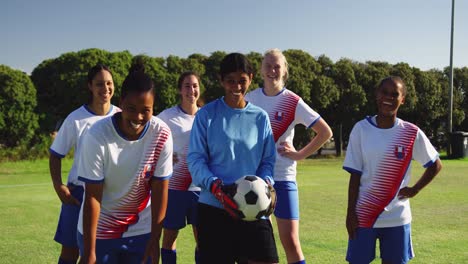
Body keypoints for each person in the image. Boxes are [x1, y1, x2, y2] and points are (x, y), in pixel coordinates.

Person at [187, 53, 279, 264]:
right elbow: (196, 160)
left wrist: (267, 184)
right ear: (221, 80)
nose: (236, 86)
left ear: (251, 78)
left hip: (254, 211)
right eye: (230, 80)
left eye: (242, 80)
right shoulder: (206, 115)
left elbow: (267, 160)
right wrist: (217, 188)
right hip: (214, 210)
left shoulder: (260, 117)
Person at [77, 64, 173, 264]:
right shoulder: (97, 135)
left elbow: (160, 190)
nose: (138, 117)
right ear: (121, 103)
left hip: (142, 231)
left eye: (145, 110)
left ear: (153, 107)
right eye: (131, 109)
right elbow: (93, 196)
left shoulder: (161, 133)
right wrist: (89, 251)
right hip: (100, 231)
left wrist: (155, 240)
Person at [245, 48, 332, 264]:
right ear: (261, 70)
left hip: (284, 179)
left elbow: (325, 132)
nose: (272, 70)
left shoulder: (293, 101)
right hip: (254, 183)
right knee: (258, 247)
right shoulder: (250, 99)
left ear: (284, 71)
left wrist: (299, 154)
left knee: (291, 242)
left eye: (277, 66)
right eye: (268, 66)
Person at [343, 76, 442, 264]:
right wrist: (350, 213)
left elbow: (435, 165)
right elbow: (355, 175)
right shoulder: (361, 129)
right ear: (377, 95)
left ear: (402, 99)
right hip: (364, 216)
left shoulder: (411, 132)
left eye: (394, 94)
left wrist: (415, 189)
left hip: (398, 218)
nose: (388, 97)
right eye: (384, 92)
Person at [49, 64, 120, 264]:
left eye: (109, 83)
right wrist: (58, 186)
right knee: (71, 253)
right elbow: (56, 154)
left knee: (101, 253)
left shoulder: (122, 116)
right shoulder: (76, 118)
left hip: (110, 196)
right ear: (90, 86)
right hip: (78, 195)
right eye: (99, 84)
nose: (105, 88)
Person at [157, 71, 202, 264]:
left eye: (194, 86)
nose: (191, 90)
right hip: (175, 188)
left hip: (201, 188)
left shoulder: (207, 116)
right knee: (169, 237)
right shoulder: (167, 116)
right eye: (187, 86)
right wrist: (165, 155)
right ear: (179, 89)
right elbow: (150, 139)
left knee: (203, 240)